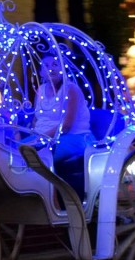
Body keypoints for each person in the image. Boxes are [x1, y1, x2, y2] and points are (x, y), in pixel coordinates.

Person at [33, 54, 94, 197]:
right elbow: (37, 118)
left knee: (43, 158)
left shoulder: (70, 89)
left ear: (62, 69)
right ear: (41, 72)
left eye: (55, 64)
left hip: (72, 137)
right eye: (46, 66)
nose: (51, 69)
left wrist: (40, 139)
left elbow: (66, 125)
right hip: (43, 136)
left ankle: (53, 202)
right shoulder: (41, 90)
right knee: (14, 151)